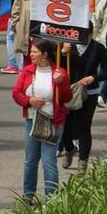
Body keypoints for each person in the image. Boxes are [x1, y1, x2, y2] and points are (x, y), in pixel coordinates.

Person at [11, 39, 72, 201]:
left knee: (48, 161)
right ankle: (28, 194)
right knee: (30, 159)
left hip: (53, 121)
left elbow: (67, 97)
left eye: (34, 52)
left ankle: (51, 198)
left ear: (45, 55)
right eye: (31, 51)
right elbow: (16, 93)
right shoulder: (27, 71)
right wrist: (28, 101)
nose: (31, 54)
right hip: (32, 120)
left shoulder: (59, 72)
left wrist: (62, 82)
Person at [60, 26, 107, 173]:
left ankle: (83, 160)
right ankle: (69, 149)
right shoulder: (69, 46)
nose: (80, 38)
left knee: (83, 126)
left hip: (90, 92)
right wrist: (63, 53)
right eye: (77, 35)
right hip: (70, 91)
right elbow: (58, 68)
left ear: (90, 34)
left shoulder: (98, 48)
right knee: (66, 127)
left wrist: (93, 77)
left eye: (84, 35)